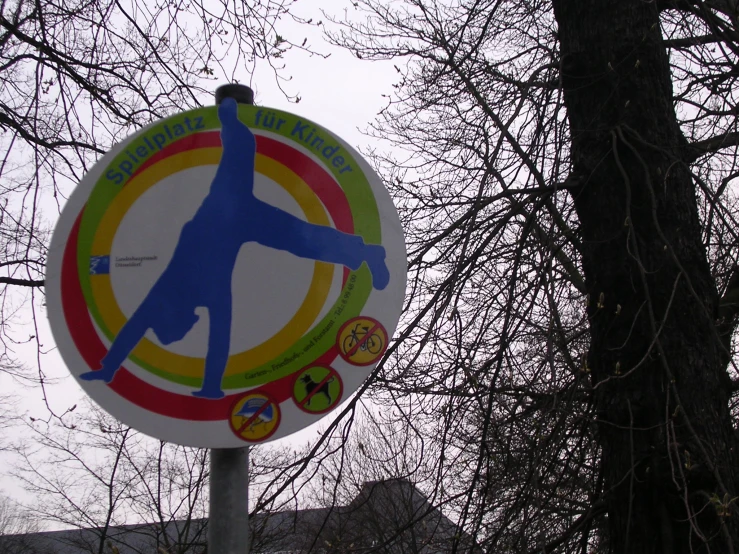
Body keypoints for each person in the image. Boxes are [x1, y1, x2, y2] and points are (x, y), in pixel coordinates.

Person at [81, 98, 390, 399]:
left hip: (222, 212)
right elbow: (219, 339)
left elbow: (138, 328)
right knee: (301, 238)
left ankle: (230, 122)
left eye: (183, 330)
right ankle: (365, 253)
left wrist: (109, 369)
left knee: (254, 181)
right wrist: (212, 386)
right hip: (237, 219)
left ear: (173, 318)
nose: (191, 327)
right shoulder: (198, 296)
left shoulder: (165, 292)